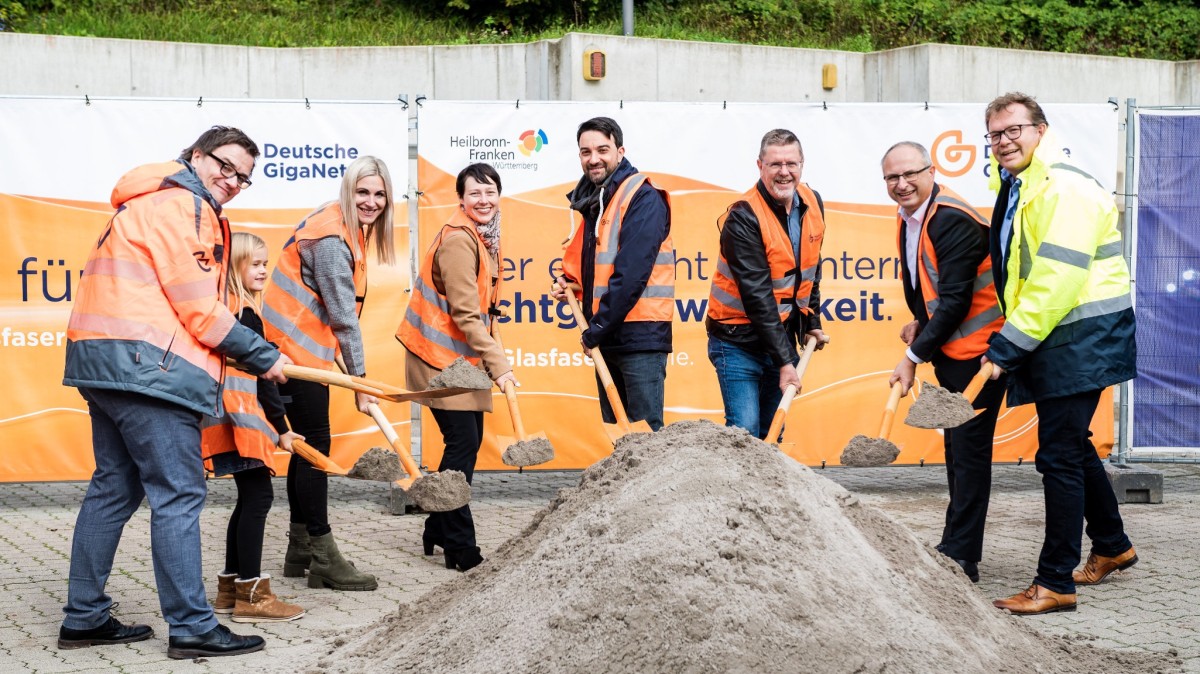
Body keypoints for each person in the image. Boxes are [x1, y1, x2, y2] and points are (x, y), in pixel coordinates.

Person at [60, 125, 288, 659]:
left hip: (105, 365)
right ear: (197, 155)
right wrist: (263, 356)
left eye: (244, 178)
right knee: (179, 495)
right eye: (225, 166)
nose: (232, 181)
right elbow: (199, 308)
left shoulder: (143, 202)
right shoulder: (185, 207)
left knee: (114, 489)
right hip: (150, 373)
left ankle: (84, 617)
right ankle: (191, 627)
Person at [982, 92, 1138, 615]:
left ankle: (1054, 583)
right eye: (995, 134)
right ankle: (1114, 546)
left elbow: (1057, 279)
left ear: (1040, 131)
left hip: (1081, 335)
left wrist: (1008, 346)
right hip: (1063, 336)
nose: (1004, 141)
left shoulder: (1063, 189)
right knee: (1072, 447)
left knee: (1058, 457)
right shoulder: (1020, 185)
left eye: (1014, 130)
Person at [262, 156, 396, 592]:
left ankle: (299, 549)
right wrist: (360, 383)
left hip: (300, 354)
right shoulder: (332, 239)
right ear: (348, 191)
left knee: (307, 448)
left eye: (379, 194)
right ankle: (322, 554)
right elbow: (342, 317)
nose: (371, 202)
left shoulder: (341, 224)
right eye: (363, 192)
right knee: (314, 448)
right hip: (290, 357)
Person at [880, 141, 1007, 583]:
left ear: (931, 171)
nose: (901, 184)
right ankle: (1112, 541)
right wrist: (920, 322)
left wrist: (912, 357)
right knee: (957, 451)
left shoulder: (951, 218)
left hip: (982, 355)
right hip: (955, 352)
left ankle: (962, 556)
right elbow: (928, 287)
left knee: (969, 454)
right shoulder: (911, 216)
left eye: (909, 174)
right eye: (892, 178)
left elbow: (955, 302)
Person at [397, 163, 517, 572]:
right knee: (462, 445)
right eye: (475, 194)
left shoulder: (483, 237)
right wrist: (499, 367)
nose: (483, 200)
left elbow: (483, 308)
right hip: (437, 358)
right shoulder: (459, 242)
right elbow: (466, 315)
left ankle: (437, 525)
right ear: (461, 200)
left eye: (490, 192)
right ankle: (460, 546)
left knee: (466, 443)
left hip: (458, 360)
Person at [201, 232, 305, 623]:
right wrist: (281, 427)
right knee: (258, 500)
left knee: (248, 500)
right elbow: (264, 377)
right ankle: (253, 598)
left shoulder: (225, 310)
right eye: (255, 264)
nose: (263, 270)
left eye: (265, 263)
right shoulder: (245, 315)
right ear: (234, 267)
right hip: (242, 421)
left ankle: (230, 591)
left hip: (224, 418)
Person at [551, 116, 674, 431]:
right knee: (619, 436)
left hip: (639, 337)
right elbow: (599, 267)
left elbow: (631, 273)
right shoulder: (597, 199)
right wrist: (574, 284)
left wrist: (597, 328)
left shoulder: (642, 196)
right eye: (585, 152)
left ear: (620, 151)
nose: (593, 159)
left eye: (602, 150)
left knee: (646, 437)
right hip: (609, 336)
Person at [705, 129, 828, 440]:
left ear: (802, 164)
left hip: (780, 336)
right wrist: (786, 361)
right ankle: (737, 491)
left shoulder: (812, 203)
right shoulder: (744, 217)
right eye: (775, 164)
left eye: (791, 163)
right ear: (760, 166)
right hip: (737, 341)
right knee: (744, 435)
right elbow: (757, 297)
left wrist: (811, 319)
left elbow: (809, 269)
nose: (784, 172)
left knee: (772, 435)